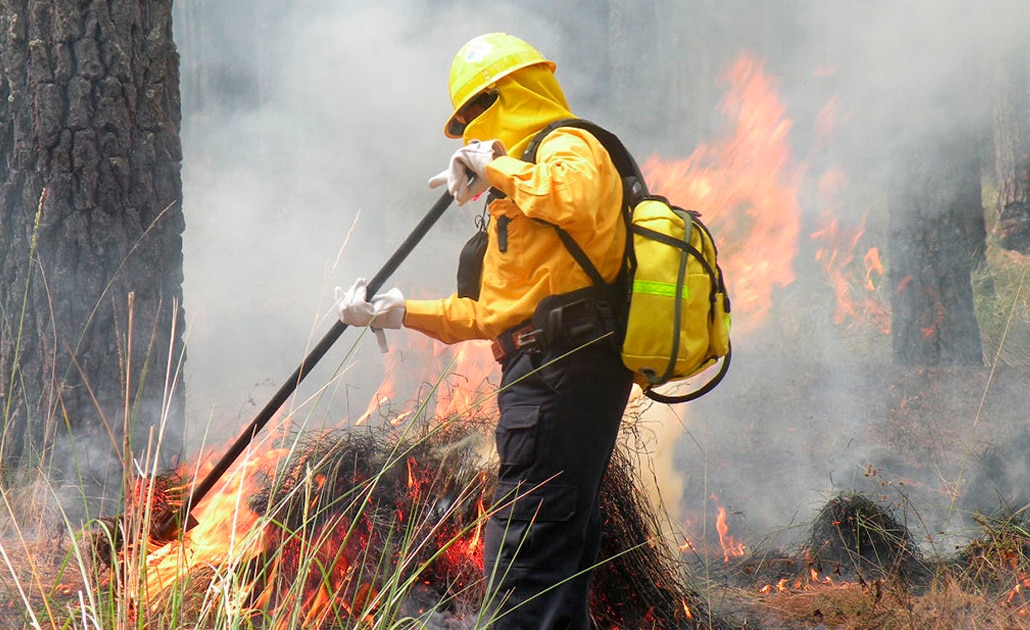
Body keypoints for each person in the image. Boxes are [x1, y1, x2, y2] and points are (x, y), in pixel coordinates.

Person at [336, 32, 633, 629]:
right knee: (550, 557)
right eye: (465, 120)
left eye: (476, 110)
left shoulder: (568, 145)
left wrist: (494, 164)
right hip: (542, 374)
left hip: (563, 375)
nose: (470, 128)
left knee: (522, 558)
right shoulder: (516, 189)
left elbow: (573, 199)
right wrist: (397, 311)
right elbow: (493, 316)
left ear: (512, 91)